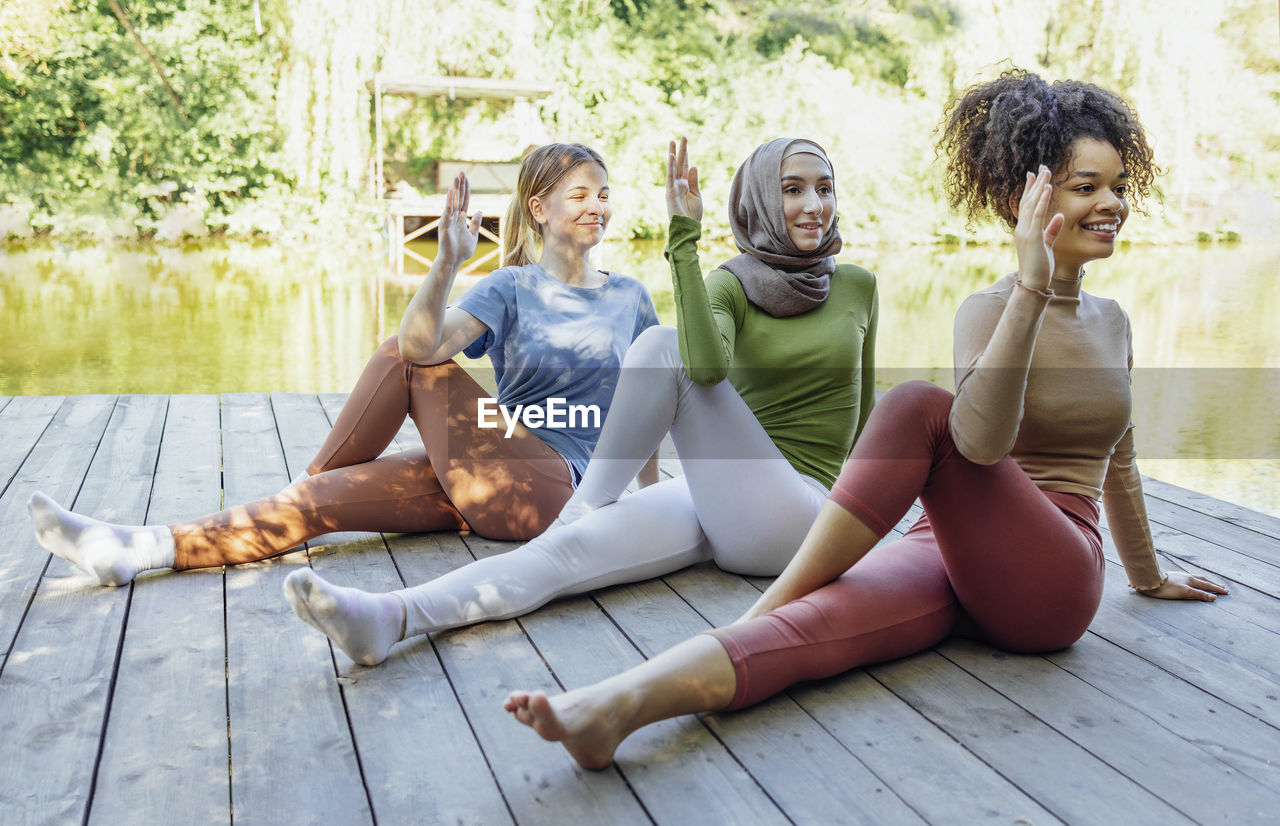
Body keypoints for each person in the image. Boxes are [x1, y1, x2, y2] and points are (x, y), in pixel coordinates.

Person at [501, 70, 1229, 771]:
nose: (1113, 204)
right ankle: (612, 710)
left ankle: (767, 601)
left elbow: (1113, 462)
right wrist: (1028, 291)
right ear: (1027, 197)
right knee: (811, 629)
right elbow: (981, 443)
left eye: (1118, 187)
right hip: (944, 545)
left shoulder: (1114, 323)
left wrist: (1149, 574)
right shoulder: (986, 310)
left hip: (1052, 574)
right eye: (1087, 187)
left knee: (914, 405)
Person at [280, 136, 879, 666]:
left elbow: (869, 412)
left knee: (656, 346)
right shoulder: (726, 283)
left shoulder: (858, 286)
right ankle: (390, 618)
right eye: (793, 189)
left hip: (805, 510)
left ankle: (582, 504)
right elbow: (704, 373)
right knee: (565, 556)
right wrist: (686, 244)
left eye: (824, 188)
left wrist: (882, 524)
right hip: (723, 501)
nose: (814, 204)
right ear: (759, 204)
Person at [28, 143, 659, 588]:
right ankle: (136, 550)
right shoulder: (510, 286)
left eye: (603, 194)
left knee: (396, 356)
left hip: (553, 488)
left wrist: (650, 506)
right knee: (316, 502)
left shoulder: (630, 296)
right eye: (579, 194)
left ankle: (302, 478)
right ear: (540, 208)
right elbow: (427, 344)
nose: (597, 206)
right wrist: (446, 263)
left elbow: (652, 405)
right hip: (488, 475)